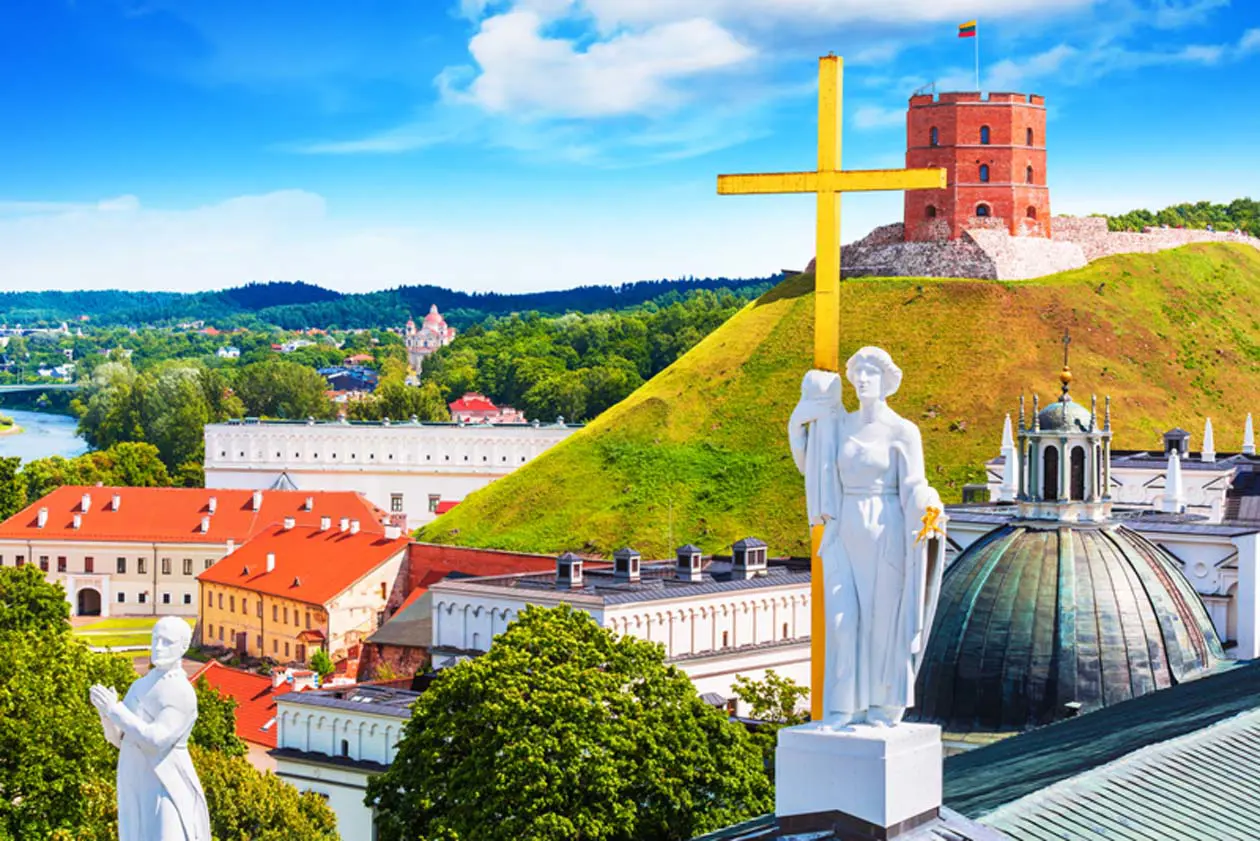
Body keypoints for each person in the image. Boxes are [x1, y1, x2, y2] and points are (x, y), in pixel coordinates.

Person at [789, 347, 945, 728]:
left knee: (881, 622)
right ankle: (844, 707)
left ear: (886, 380)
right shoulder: (840, 425)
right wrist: (797, 424)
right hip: (845, 527)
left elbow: (913, 485)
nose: (861, 379)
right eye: (857, 372)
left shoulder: (903, 432)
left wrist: (929, 507)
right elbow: (812, 468)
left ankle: (881, 706)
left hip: (886, 527)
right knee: (842, 623)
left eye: (870, 373)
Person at [90, 617, 212, 841]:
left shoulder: (180, 691)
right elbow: (119, 739)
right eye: (155, 639)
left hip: (165, 781)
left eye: (167, 642)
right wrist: (105, 713)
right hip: (135, 778)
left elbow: (156, 740)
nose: (157, 647)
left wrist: (115, 709)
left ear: (184, 646)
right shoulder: (141, 684)